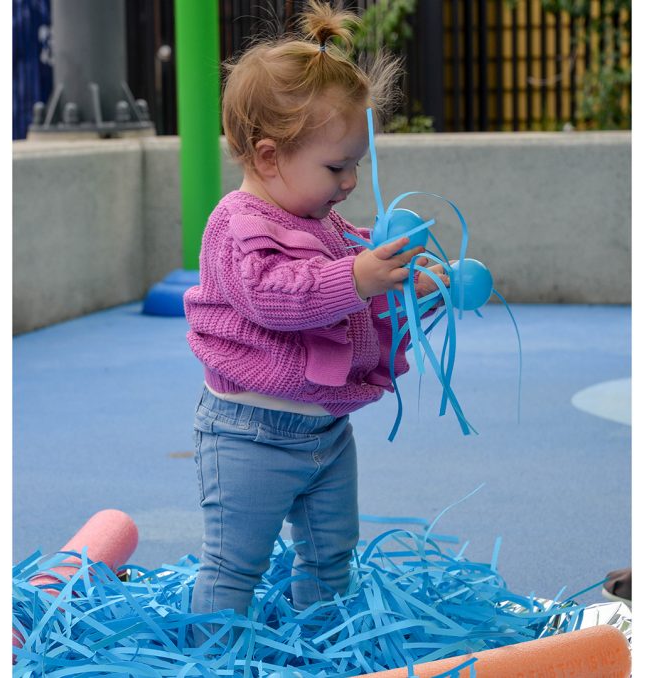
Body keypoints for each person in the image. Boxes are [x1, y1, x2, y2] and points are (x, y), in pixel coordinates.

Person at [183, 1, 446, 627]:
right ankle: (210, 660)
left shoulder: (319, 219)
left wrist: (409, 280)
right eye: (338, 166)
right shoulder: (240, 225)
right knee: (232, 567)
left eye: (357, 162)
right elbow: (279, 295)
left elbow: (352, 263)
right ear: (270, 157)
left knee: (331, 557)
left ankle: (324, 647)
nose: (351, 180)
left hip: (325, 430)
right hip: (248, 432)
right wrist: (359, 278)